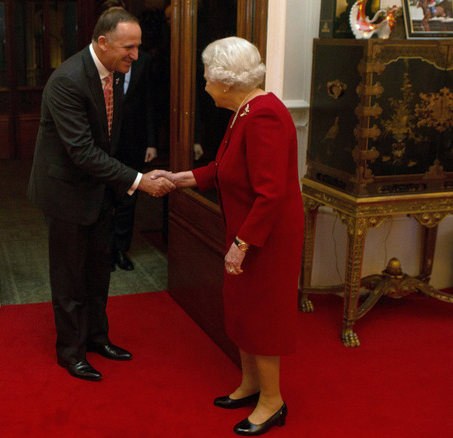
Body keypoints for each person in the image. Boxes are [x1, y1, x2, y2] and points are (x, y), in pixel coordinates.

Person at [154, 37, 303, 436]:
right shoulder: (245, 111)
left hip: (267, 240)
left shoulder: (264, 115)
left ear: (226, 81)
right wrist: (180, 179)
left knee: (262, 316)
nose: (204, 86)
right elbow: (225, 168)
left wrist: (242, 244)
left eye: (207, 78)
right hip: (249, 233)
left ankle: (273, 402)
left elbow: (270, 193)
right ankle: (252, 384)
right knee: (241, 309)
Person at [27, 8, 175, 382]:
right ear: (103, 42)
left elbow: (110, 141)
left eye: (138, 47)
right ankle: (71, 352)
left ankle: (97, 338)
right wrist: (139, 181)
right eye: (129, 47)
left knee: (97, 272)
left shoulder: (116, 73)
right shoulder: (67, 81)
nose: (136, 55)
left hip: (98, 191)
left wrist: (136, 173)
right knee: (69, 279)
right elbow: (83, 152)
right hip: (65, 193)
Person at [99, 0, 159, 271]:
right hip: (103, 144)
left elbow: (150, 102)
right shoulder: (97, 64)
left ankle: (120, 249)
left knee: (128, 197)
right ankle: (104, 250)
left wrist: (151, 142)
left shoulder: (143, 61)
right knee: (104, 198)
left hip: (133, 141)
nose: (132, 52)